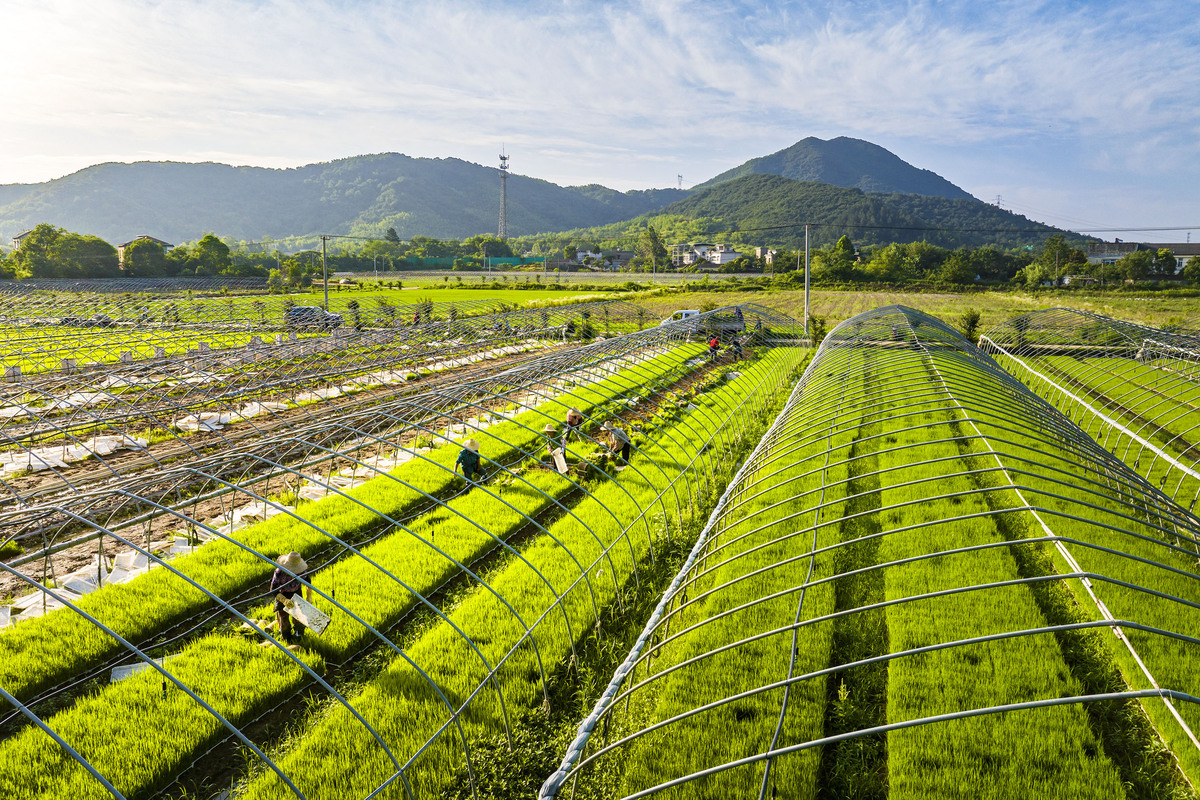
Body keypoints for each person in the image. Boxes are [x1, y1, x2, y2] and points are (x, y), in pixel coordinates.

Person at [271, 552, 312, 643]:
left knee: (298, 617)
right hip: (282, 594)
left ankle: (299, 635)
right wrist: (284, 600)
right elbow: (273, 589)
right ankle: (286, 637)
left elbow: (308, 581)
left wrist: (309, 596)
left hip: (296, 593)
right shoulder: (279, 572)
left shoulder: (301, 571)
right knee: (283, 617)